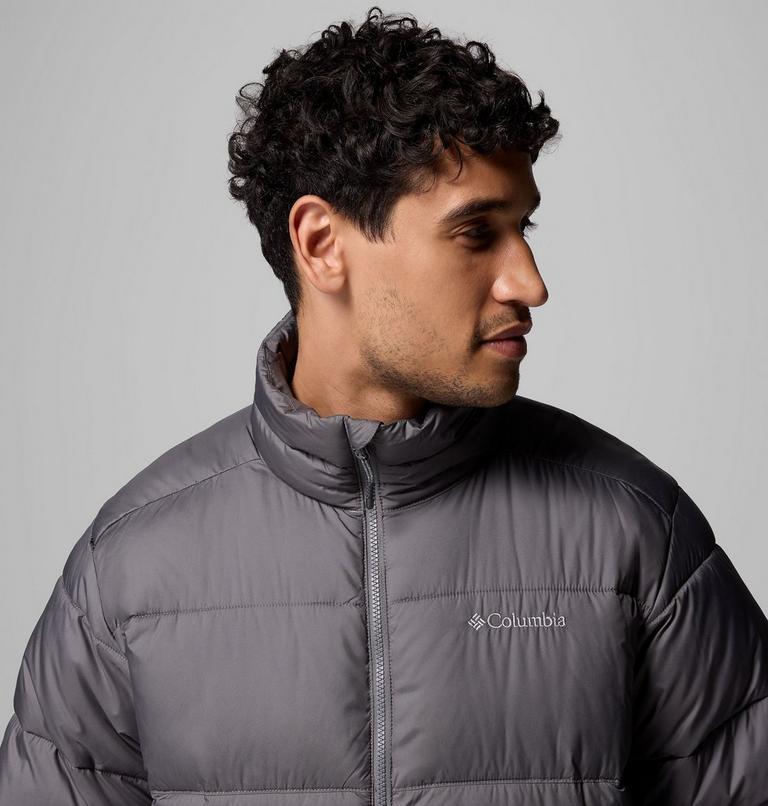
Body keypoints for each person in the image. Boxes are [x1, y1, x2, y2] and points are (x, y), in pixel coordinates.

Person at [2, 6, 767, 805]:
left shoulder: (636, 533)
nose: (530, 283)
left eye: (523, 228)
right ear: (322, 244)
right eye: (477, 233)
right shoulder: (130, 568)